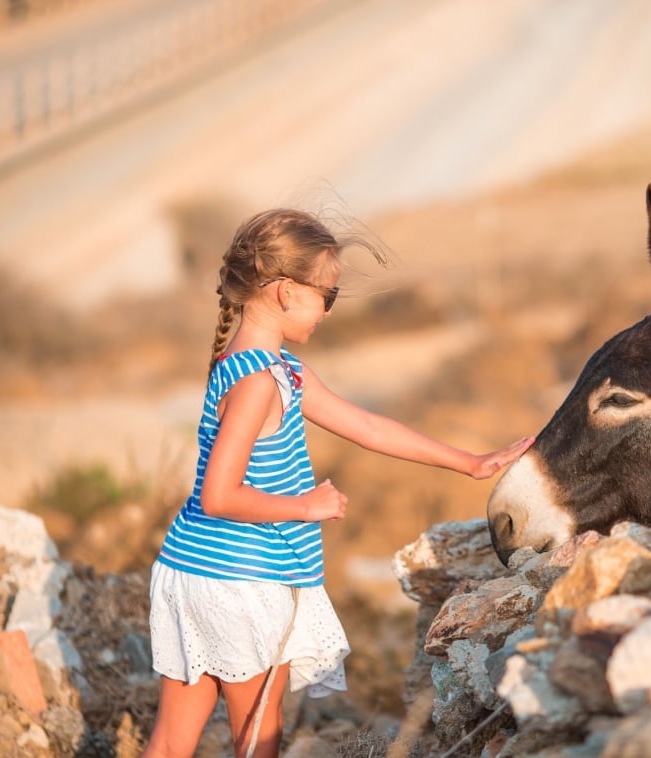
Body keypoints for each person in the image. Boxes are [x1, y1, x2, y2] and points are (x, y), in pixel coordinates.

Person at [142, 208, 534, 758]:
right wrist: (306, 506)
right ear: (284, 292)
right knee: (259, 739)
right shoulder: (259, 381)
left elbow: (370, 427)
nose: (329, 309)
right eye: (326, 294)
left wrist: (467, 462)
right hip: (241, 581)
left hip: (196, 569)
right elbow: (219, 495)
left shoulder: (274, 369)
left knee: (170, 742)